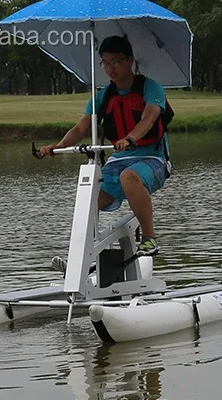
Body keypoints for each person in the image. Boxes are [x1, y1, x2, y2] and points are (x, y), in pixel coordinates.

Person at [38, 35, 170, 256]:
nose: (110, 68)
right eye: (105, 63)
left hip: (153, 159)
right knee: (89, 195)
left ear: (130, 60)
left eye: (116, 61)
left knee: (128, 177)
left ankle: (149, 238)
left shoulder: (151, 88)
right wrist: (58, 146)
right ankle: (86, 253)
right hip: (118, 159)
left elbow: (148, 119)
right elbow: (81, 128)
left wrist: (129, 139)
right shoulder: (102, 96)